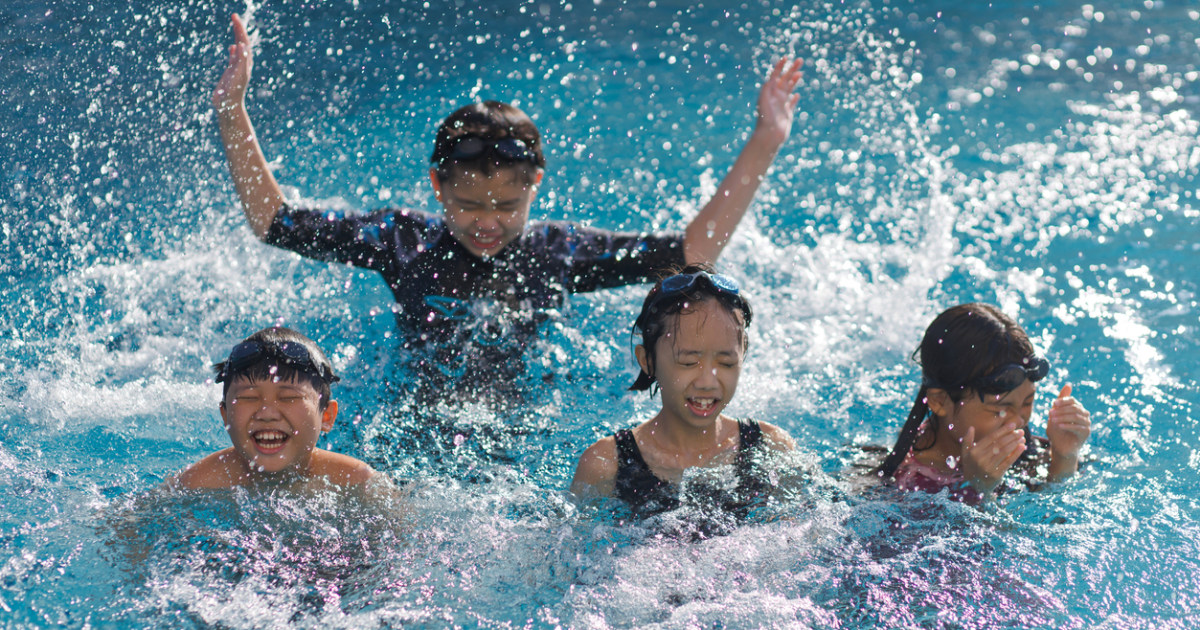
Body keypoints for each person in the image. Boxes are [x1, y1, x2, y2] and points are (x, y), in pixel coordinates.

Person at [211, 13, 804, 400]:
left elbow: (692, 251)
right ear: (437, 185)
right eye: (468, 204)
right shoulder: (403, 241)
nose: (488, 222)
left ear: (536, 184)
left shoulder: (558, 252)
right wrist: (232, 110)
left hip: (525, 423)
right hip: (417, 416)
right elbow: (275, 223)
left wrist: (766, 140)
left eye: (507, 205)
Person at [571, 265, 795, 516]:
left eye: (726, 363)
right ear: (648, 361)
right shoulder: (606, 465)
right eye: (688, 362)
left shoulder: (771, 447)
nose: (708, 382)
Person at [875, 303, 1092, 504]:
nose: (1018, 421)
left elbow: (1057, 521)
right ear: (939, 401)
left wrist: (1065, 457)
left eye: (1027, 402)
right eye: (1000, 410)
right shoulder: (902, 488)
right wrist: (978, 491)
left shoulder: (1034, 453)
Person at [169, 326, 376, 490]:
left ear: (326, 416)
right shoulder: (195, 484)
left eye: (289, 398)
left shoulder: (358, 482)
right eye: (249, 398)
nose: (267, 413)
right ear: (225, 415)